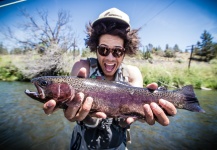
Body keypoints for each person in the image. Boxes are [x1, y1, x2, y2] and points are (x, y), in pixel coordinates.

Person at [43, 8, 177, 150]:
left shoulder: (133, 75)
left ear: (125, 51)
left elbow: (131, 118)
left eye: (117, 51)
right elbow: (70, 114)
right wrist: (71, 114)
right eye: (103, 50)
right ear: (95, 48)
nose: (110, 58)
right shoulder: (82, 68)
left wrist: (143, 116)